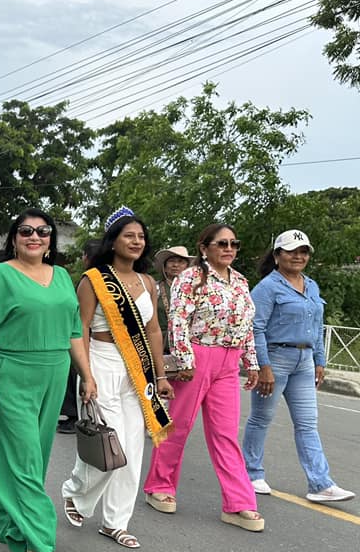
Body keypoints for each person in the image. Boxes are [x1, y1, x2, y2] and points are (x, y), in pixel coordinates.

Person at [0, 208, 96, 552]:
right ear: (14, 238)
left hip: (54, 374)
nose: (34, 236)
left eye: (42, 231)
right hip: (12, 375)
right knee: (25, 457)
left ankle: (7, 519)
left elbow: (74, 332)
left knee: (35, 456)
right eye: (25, 230)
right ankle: (39, 541)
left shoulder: (62, 277)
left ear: (51, 240)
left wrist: (86, 375)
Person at [60, 208, 174, 549]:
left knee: (133, 450)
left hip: (137, 368)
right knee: (111, 443)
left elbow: (154, 330)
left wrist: (161, 375)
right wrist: (86, 374)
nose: (136, 242)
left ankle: (115, 522)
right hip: (102, 361)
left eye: (141, 237)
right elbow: (79, 329)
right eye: (129, 236)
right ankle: (76, 492)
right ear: (113, 241)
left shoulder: (147, 282)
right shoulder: (93, 280)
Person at [143, 223, 264, 531]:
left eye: (234, 244)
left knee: (226, 433)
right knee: (179, 426)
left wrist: (251, 362)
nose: (229, 249)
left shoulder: (240, 281)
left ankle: (238, 503)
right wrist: (185, 359)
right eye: (222, 243)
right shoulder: (190, 278)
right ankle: (159, 485)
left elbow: (246, 325)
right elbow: (178, 320)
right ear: (204, 248)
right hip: (198, 356)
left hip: (229, 361)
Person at [242, 230, 354, 502]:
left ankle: (321, 484)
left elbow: (317, 326)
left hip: (304, 362)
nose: (298, 256)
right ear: (277, 255)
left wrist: (319, 360)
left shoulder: (311, 285)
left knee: (307, 423)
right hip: (276, 358)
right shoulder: (267, 287)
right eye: (292, 251)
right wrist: (264, 366)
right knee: (261, 419)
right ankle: (250, 473)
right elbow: (256, 328)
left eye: (303, 252)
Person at [57, 238, 100, 434]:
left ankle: (75, 415)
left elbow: (81, 319)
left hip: (85, 336)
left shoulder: (88, 281)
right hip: (98, 338)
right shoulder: (111, 279)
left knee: (76, 373)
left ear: (86, 258)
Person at [154, 245, 193, 354]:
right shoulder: (154, 288)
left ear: (187, 267)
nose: (176, 265)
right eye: (171, 261)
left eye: (181, 261)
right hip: (161, 346)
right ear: (165, 267)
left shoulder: (196, 289)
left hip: (191, 345)